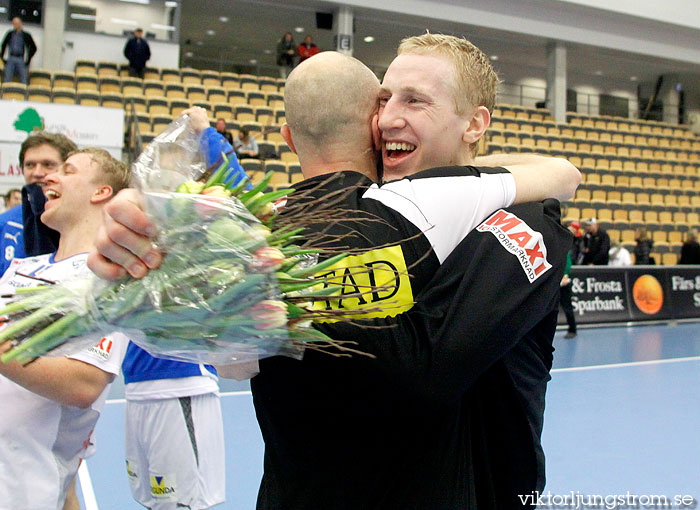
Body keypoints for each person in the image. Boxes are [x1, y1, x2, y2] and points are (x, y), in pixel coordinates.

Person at [89, 43, 579, 509]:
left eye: (415, 101)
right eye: (383, 101)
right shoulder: (311, 225)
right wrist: (153, 239)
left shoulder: (523, 221)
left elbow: (424, 372)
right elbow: (226, 355)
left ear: (474, 122)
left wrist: (282, 282)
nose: (388, 119)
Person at [121, 107, 245, 510]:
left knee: (184, 505)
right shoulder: (141, 223)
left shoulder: (205, 224)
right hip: (137, 388)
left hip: (181, 385)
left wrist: (207, 133)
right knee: (152, 501)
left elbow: (238, 190)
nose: (170, 169)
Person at [0, 148, 131, 509]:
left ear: (100, 192)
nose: (47, 178)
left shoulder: (109, 277)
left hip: (25, 492)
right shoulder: (21, 269)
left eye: (67, 170)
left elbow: (83, 384)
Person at [0, 132, 77, 277]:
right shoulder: (4, 224)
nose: (37, 172)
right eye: (30, 165)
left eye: (48, 164)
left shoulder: (86, 221)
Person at [1, 17, 36, 85]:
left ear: (20, 24)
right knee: (7, 79)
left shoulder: (26, 35)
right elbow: (3, 45)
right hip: (11, 58)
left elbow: (34, 48)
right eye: (14, 24)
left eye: (16, 23)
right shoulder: (10, 34)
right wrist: (3, 58)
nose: (15, 25)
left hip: (21, 60)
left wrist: (28, 59)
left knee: (24, 80)